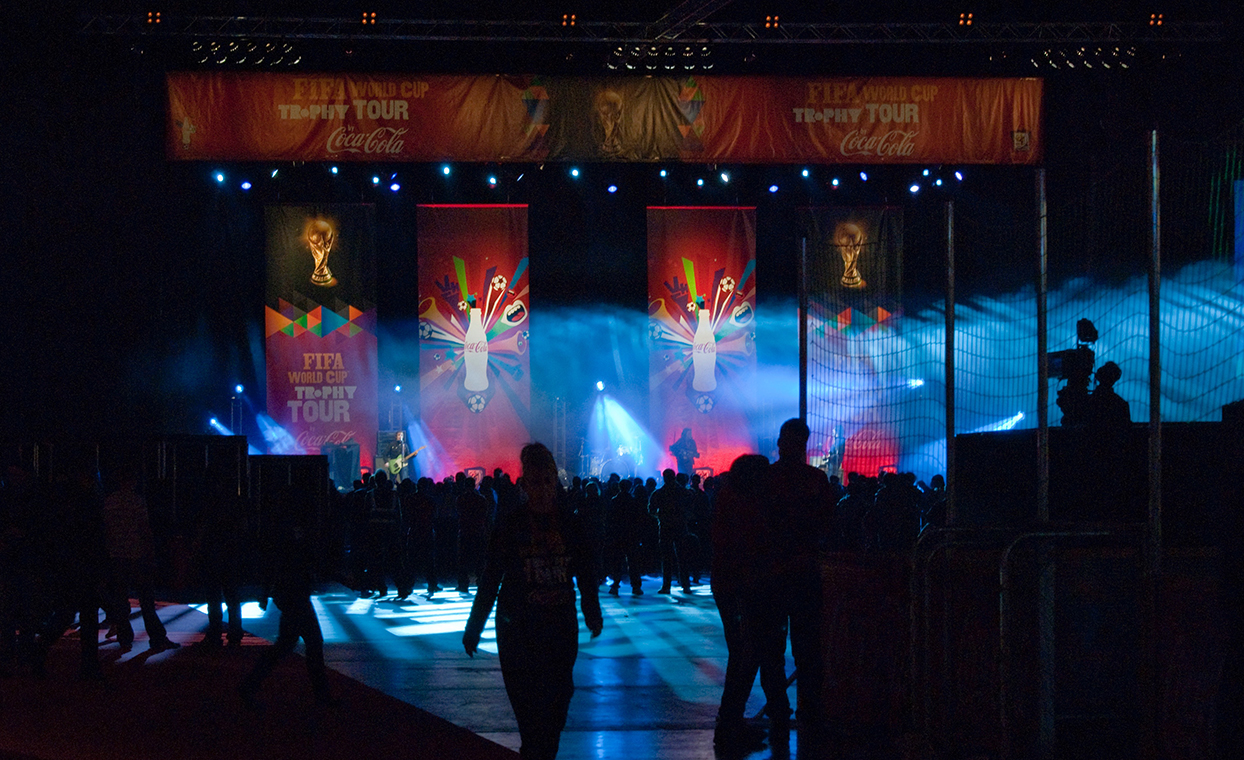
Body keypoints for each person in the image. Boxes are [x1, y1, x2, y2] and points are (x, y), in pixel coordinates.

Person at [463, 443, 603, 760]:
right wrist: (475, 625)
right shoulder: (510, 525)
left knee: (557, 704)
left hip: (558, 627)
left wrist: (592, 612)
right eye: (535, 482)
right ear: (524, 485)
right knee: (528, 713)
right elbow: (491, 577)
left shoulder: (571, 524)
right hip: (518, 630)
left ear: (556, 483)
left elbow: (585, 572)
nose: (542, 491)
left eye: (547, 482)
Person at [712, 454, 790, 753]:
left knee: (744, 653)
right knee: (746, 653)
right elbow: (752, 545)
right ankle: (731, 722)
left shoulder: (730, 497)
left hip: (733, 585)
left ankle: (732, 721)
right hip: (742, 586)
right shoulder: (745, 503)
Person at [768, 418, 834, 740]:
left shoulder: (767, 480)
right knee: (808, 648)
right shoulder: (816, 480)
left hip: (773, 576)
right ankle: (810, 709)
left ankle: (780, 709)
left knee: (772, 648)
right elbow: (828, 527)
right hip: (805, 573)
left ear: (781, 442)